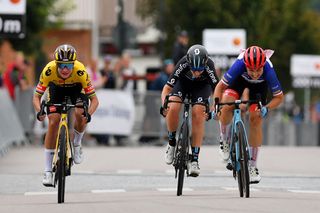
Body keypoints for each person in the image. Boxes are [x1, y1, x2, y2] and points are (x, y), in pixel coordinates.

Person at [213, 45, 284, 184]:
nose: (255, 74)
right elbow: (219, 87)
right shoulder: (239, 64)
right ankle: (224, 140)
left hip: (259, 88)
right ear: (246, 65)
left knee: (256, 118)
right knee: (227, 103)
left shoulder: (269, 70)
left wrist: (267, 108)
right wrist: (216, 105)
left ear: (263, 65)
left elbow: (279, 97)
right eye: (251, 70)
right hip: (238, 81)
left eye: (258, 70)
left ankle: (252, 166)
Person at [32, 44, 99, 186]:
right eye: (61, 65)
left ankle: (77, 143)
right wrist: (40, 111)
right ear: (56, 64)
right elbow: (36, 97)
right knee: (53, 122)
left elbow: (95, 100)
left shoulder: (80, 71)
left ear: (73, 65)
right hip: (56, 90)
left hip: (76, 89)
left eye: (68, 66)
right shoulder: (49, 70)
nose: (64, 69)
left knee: (80, 113)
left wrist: (89, 114)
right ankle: (48, 171)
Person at [161, 44, 219, 177]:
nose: (196, 73)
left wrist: (214, 107)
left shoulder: (209, 65)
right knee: (173, 106)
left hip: (201, 87)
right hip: (183, 85)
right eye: (193, 69)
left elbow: (217, 89)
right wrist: (164, 104)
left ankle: (195, 159)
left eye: (200, 70)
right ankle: (171, 143)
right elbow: (167, 89)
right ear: (188, 63)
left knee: (198, 114)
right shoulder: (182, 63)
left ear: (205, 63)